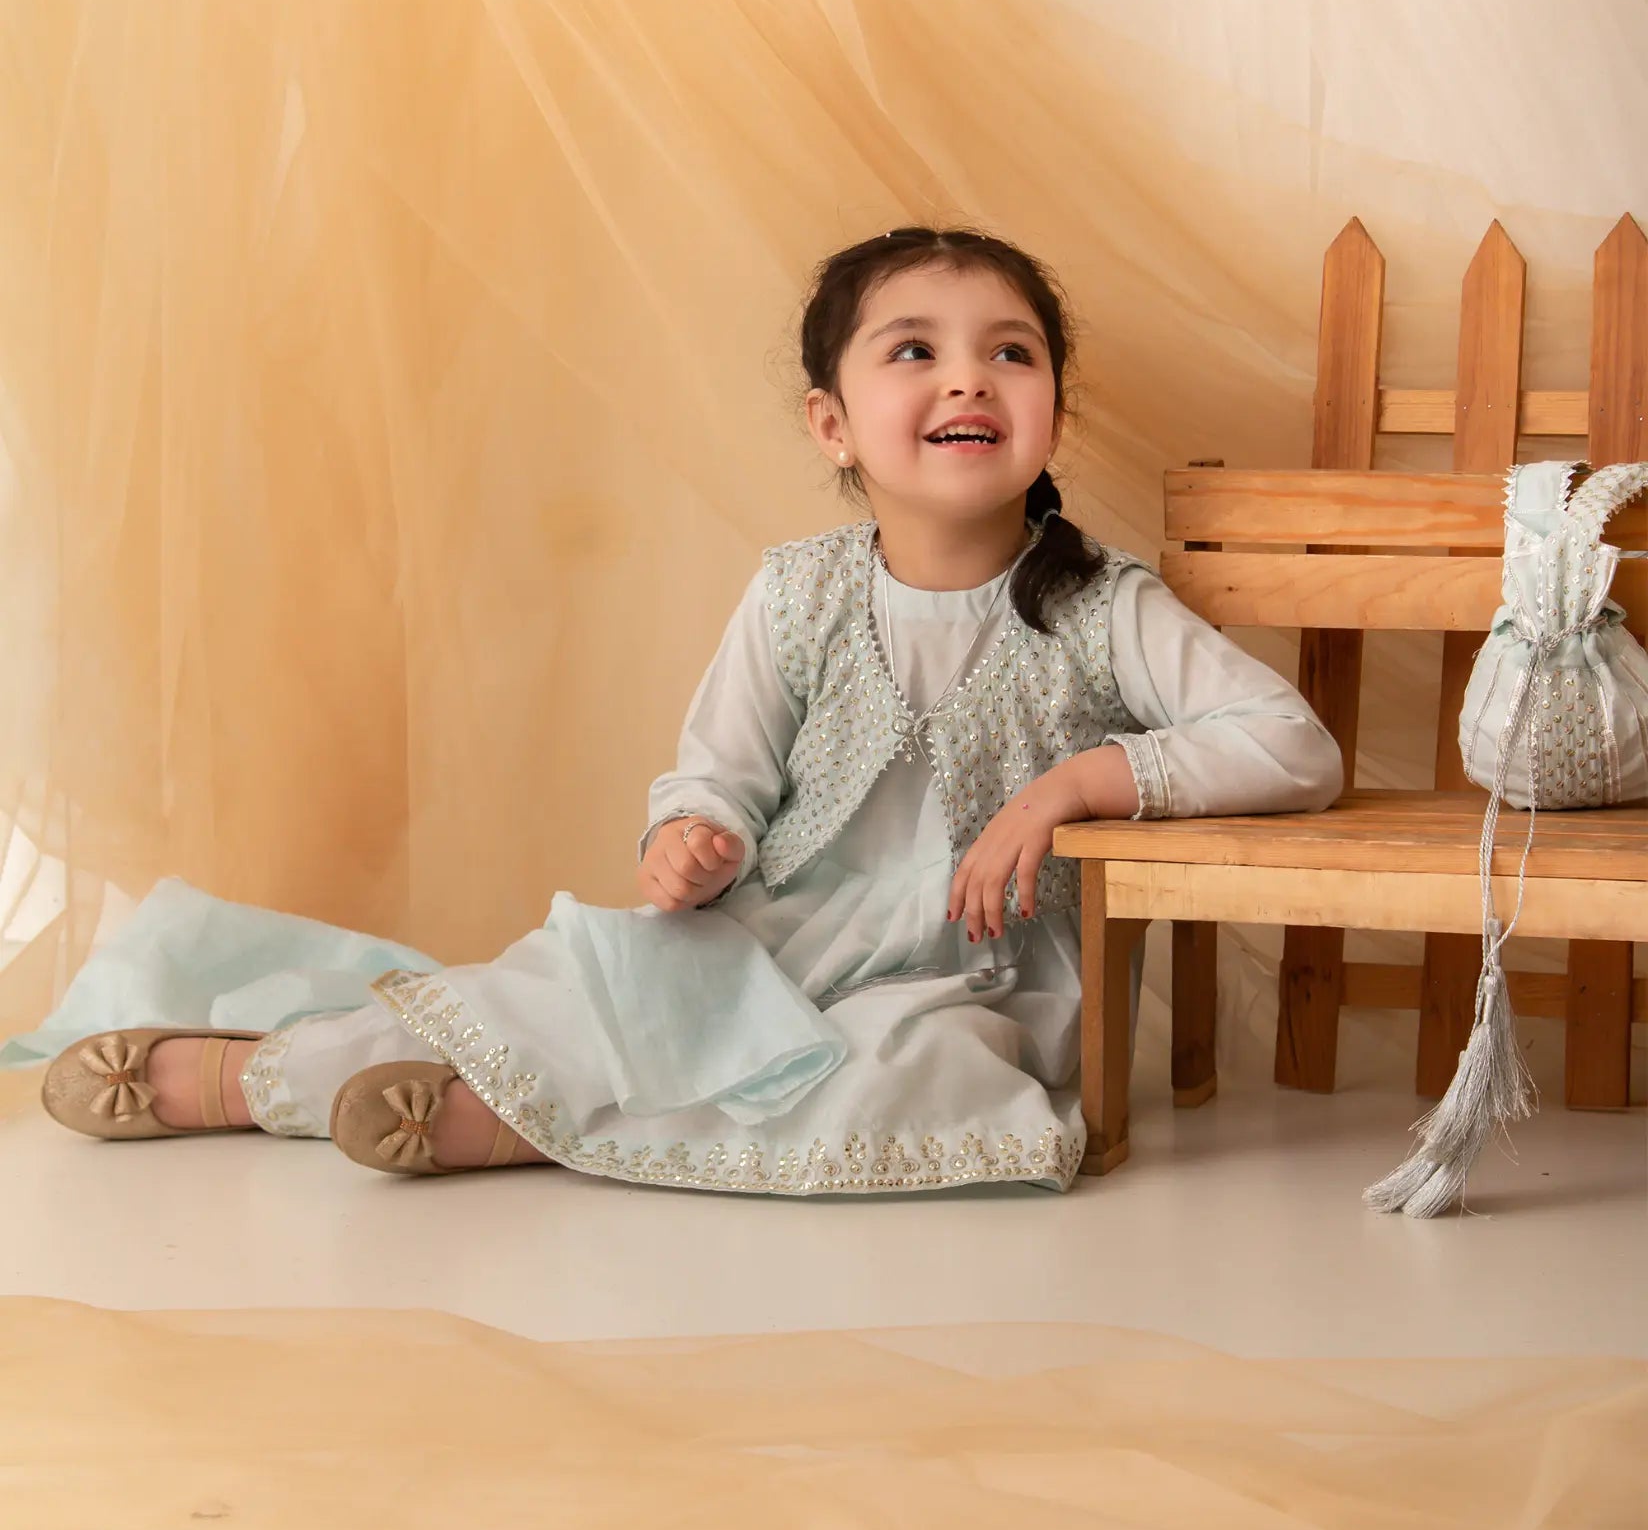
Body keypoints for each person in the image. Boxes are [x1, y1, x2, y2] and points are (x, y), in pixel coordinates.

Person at [24, 225, 1342, 1191]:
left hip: (969, 976)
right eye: (915, 352)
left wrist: (1074, 784)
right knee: (573, 994)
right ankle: (248, 1075)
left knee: (905, 1075)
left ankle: (491, 1128)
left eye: (1011, 352)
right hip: (776, 933)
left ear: (1052, 408)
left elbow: (1295, 747)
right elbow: (722, 768)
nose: (968, 380)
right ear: (833, 425)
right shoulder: (800, 592)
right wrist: (695, 836)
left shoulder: (1100, 603)